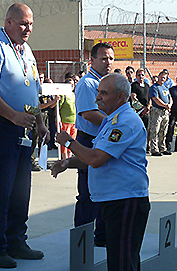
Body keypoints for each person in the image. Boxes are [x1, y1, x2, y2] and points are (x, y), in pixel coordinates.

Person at [51, 73, 150, 271]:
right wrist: (68, 162)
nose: (97, 97)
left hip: (125, 202)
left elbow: (96, 158)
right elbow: (95, 157)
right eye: (98, 92)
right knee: (124, 269)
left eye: (103, 93)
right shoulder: (112, 120)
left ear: (120, 96)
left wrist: (70, 142)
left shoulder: (124, 122)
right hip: (115, 202)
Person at [0, 3, 49, 268]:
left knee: (19, 190)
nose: (28, 29)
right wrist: (11, 115)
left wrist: (39, 121)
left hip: (23, 126)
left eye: (31, 24)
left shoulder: (25, 50)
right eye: (23, 24)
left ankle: (15, 241)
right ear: (8, 22)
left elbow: (32, 89)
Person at [74, 42, 114, 247]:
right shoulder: (88, 84)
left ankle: (102, 236)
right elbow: (89, 113)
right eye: (104, 58)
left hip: (104, 141)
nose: (108, 62)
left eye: (111, 58)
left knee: (105, 191)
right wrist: (116, 122)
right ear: (92, 60)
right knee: (88, 193)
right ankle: (83, 239)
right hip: (89, 140)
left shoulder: (108, 83)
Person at [149, 71, 172, 156]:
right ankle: (154, 149)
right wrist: (164, 105)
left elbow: (170, 98)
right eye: (161, 77)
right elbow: (155, 98)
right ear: (158, 77)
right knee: (155, 130)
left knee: (163, 130)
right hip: (157, 111)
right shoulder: (154, 87)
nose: (162, 79)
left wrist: (169, 105)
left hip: (165, 112)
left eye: (164, 78)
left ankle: (162, 147)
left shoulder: (165, 88)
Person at [58, 77, 76, 159]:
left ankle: (70, 156)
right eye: (69, 85)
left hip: (74, 121)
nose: (71, 87)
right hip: (65, 121)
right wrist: (58, 119)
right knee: (65, 140)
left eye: (72, 85)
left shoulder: (74, 95)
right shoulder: (63, 95)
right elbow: (58, 108)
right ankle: (64, 157)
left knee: (72, 140)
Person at [130, 68, 151, 134]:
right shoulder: (133, 85)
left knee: (146, 130)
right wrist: (142, 109)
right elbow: (133, 98)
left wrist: (148, 107)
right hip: (138, 112)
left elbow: (150, 98)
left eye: (142, 75)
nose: (141, 77)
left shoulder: (147, 86)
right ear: (136, 76)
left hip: (147, 112)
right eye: (139, 75)